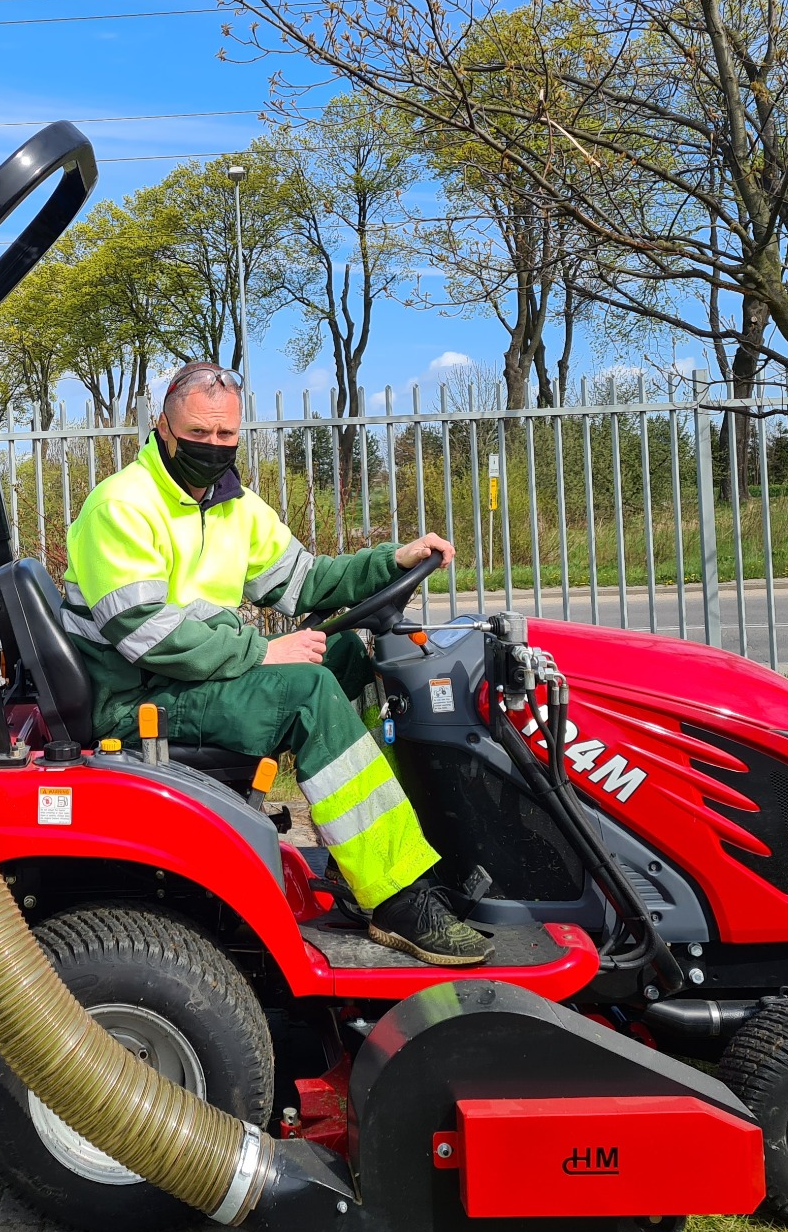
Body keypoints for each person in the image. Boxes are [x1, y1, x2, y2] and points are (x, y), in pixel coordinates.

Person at [61, 361, 487, 966]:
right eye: (197, 434)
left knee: (342, 656)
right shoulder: (122, 506)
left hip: (190, 683)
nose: (212, 448)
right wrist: (264, 651)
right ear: (162, 425)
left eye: (225, 436)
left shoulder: (234, 506)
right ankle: (396, 897)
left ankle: (365, 858)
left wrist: (392, 560)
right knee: (306, 689)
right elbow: (145, 634)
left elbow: (306, 580)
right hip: (135, 700)